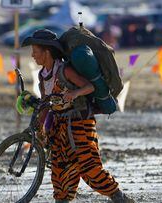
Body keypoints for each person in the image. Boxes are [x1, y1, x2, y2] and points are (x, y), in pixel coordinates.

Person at [19, 29, 134, 203]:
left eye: (36, 51)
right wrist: (40, 126)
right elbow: (45, 105)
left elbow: (90, 87)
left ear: (47, 52)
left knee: (88, 165)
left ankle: (118, 196)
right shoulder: (42, 77)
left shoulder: (65, 71)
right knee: (60, 168)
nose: (33, 55)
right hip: (59, 126)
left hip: (80, 122)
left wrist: (74, 94)